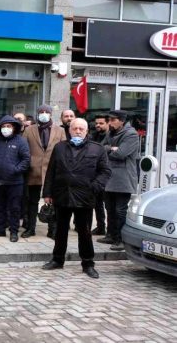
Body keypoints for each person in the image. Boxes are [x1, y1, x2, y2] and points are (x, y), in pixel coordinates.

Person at [42, 118, 112, 279]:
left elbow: (105, 172)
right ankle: (57, 260)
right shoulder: (59, 148)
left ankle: (88, 263)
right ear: (69, 130)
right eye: (75, 128)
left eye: (81, 129)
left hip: (84, 197)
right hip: (62, 195)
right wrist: (47, 193)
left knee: (85, 232)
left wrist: (94, 187)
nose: (78, 131)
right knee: (60, 231)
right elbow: (51, 171)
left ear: (87, 131)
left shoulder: (97, 149)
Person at [22, 104, 66, 239]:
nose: (44, 114)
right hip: (33, 171)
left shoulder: (60, 130)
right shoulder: (29, 130)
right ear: (37, 113)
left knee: (52, 201)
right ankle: (30, 228)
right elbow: (24, 149)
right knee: (32, 202)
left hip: (53, 171)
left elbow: (64, 150)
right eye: (41, 111)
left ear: (51, 114)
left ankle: (52, 229)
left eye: (47, 112)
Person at [99, 110, 140, 251]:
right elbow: (100, 148)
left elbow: (122, 154)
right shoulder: (111, 132)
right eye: (109, 120)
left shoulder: (131, 134)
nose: (109, 122)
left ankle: (121, 240)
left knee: (120, 210)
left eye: (112, 120)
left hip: (123, 178)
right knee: (109, 208)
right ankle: (111, 234)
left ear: (121, 121)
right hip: (109, 176)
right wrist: (111, 148)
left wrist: (110, 150)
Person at [0, 116, 30, 242]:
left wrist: (15, 170)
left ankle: (14, 231)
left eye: (8, 126)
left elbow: (26, 160)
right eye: (3, 126)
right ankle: (0, 229)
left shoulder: (21, 141)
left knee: (14, 208)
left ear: (14, 128)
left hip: (15, 182)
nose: (6, 129)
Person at [89, 114, 110, 235]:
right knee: (97, 204)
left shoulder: (110, 135)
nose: (98, 125)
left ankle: (110, 230)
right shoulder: (94, 135)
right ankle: (100, 226)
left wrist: (105, 148)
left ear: (107, 124)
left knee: (107, 205)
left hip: (105, 175)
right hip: (94, 174)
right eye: (97, 123)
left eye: (101, 123)